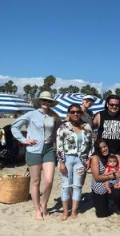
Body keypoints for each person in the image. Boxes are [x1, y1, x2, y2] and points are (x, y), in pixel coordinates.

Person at [11, 91, 61, 220]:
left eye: (48, 101)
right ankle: (37, 209)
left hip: (49, 149)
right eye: (44, 100)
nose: (46, 102)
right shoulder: (31, 114)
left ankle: (44, 205)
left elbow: (58, 132)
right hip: (34, 150)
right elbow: (14, 127)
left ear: (51, 103)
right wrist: (23, 140)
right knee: (35, 181)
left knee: (49, 180)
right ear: (40, 101)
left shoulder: (54, 116)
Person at [56, 104, 93, 221]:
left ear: (81, 113)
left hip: (81, 160)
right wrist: (61, 162)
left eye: (78, 112)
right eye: (72, 112)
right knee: (65, 186)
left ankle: (74, 211)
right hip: (67, 159)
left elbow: (91, 144)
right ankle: (65, 212)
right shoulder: (63, 127)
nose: (75, 114)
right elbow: (59, 145)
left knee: (77, 186)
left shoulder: (86, 126)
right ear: (69, 114)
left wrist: (89, 158)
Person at [90, 139, 120, 218]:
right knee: (102, 215)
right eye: (100, 148)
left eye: (104, 146)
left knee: (118, 194)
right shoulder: (95, 158)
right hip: (100, 186)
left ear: (108, 146)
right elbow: (97, 178)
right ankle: (105, 202)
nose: (103, 149)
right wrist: (111, 176)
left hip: (114, 183)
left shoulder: (116, 157)